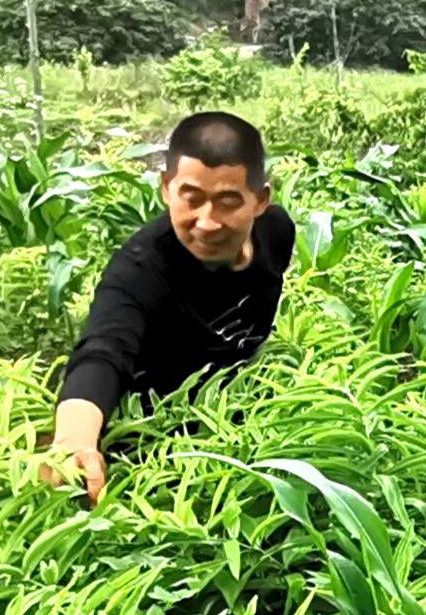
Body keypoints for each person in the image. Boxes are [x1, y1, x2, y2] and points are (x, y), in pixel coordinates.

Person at [41, 111, 295, 504]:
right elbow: (103, 351)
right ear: (166, 189)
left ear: (260, 200)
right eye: (191, 200)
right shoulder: (140, 270)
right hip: (151, 449)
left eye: (228, 203)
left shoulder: (277, 232)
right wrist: (73, 442)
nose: (207, 223)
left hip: (238, 427)